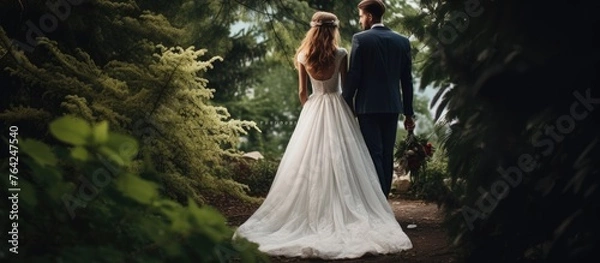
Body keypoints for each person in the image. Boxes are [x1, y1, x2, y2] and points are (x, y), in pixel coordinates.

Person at [233, 11, 412, 260]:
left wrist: (310, 111)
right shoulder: (340, 54)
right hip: (338, 107)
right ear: (333, 30)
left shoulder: (303, 55)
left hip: (314, 108)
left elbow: (301, 92)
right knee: (345, 160)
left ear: (313, 30)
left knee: (310, 161)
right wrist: (351, 116)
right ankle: (357, 206)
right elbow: (347, 89)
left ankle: (312, 211)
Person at [343, 0, 416, 198]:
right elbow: (406, 81)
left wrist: (344, 100)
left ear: (369, 16)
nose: (360, 21)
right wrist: (409, 113)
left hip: (367, 107)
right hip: (392, 106)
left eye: (360, 16)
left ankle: (378, 201)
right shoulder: (402, 41)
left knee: (373, 153)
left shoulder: (360, 39)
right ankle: (382, 197)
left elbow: (355, 75)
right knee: (386, 154)